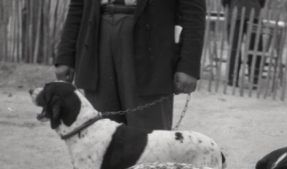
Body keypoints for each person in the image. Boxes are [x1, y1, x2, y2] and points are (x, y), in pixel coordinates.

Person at [55, 0, 206, 130]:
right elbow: (78, 5)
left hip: (152, 45)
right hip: (96, 37)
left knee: (149, 140)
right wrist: (66, 56)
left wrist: (189, 65)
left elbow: (192, 10)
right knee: (101, 137)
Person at [222, 0, 265, 87]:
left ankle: (232, 78)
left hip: (236, 11)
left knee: (234, 47)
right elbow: (262, 2)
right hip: (254, 12)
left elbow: (225, 1)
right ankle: (254, 79)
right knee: (255, 47)